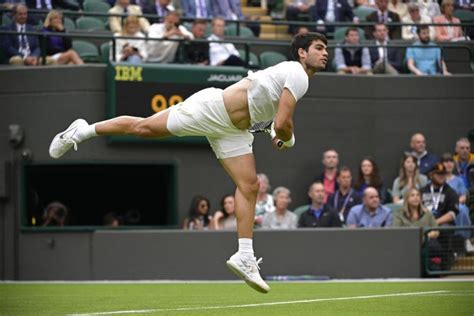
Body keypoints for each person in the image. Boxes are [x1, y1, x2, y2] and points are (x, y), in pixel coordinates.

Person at [48, 32, 329, 294]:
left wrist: (279, 133)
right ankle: (82, 130)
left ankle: (244, 255)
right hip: (212, 110)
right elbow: (283, 124)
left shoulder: (295, 79)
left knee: (250, 185)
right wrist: (288, 140)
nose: (325, 52)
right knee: (144, 128)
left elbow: (273, 120)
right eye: (319, 48)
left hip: (235, 131)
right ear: (302, 53)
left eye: (326, 48)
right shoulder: (296, 73)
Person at [392, 188, 442, 271]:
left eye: (418, 195)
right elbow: (396, 232)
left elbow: (436, 230)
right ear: (407, 199)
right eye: (412, 195)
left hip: (424, 244)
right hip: (406, 245)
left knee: (434, 246)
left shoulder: (427, 213)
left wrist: (432, 234)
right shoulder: (399, 214)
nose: (416, 197)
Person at [441, 152, 473, 252]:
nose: (449, 164)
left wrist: (453, 202)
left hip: (455, 204)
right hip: (441, 205)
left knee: (462, 209)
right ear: (441, 164)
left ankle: (465, 240)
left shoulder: (458, 180)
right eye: (446, 161)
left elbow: (463, 197)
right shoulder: (437, 178)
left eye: (451, 161)